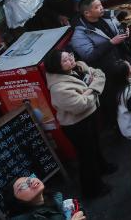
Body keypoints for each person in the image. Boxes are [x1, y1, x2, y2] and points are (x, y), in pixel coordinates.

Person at [43, 49, 113, 198]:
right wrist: (94, 89)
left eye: (69, 56)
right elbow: (79, 105)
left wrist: (88, 91)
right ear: (57, 66)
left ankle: (103, 167)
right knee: (86, 157)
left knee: (95, 146)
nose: (70, 59)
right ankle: (93, 189)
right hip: (77, 125)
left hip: (89, 116)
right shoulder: (58, 88)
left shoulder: (78, 67)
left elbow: (100, 74)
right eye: (65, 60)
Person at [5, 175, 85, 220]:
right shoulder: (30, 218)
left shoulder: (53, 198)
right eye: (22, 186)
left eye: (29, 179)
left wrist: (79, 212)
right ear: (17, 201)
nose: (31, 182)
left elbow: (74, 205)